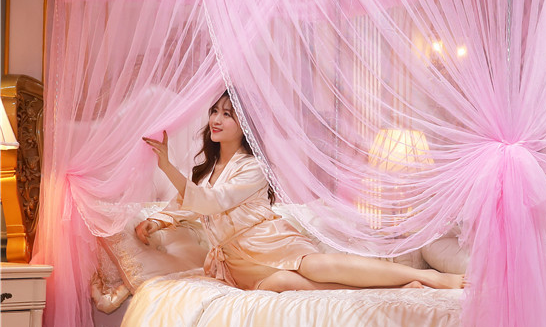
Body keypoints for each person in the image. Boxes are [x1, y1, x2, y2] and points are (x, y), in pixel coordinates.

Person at [136, 91, 463, 292]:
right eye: (214, 112)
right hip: (237, 262)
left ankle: (428, 278)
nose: (216, 120)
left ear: (244, 125)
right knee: (283, 284)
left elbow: (211, 202)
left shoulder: (253, 167)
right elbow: (186, 203)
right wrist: (157, 221)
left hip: (268, 243)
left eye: (227, 114)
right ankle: (399, 286)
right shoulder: (206, 171)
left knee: (317, 268)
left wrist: (166, 165)